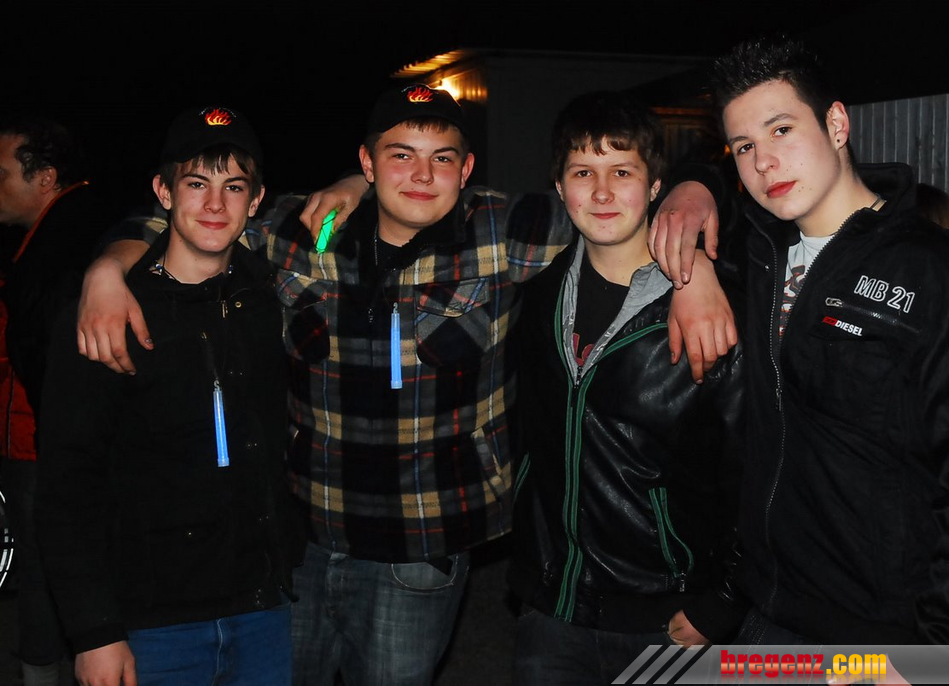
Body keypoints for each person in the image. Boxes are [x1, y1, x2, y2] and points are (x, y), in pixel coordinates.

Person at [74, 84, 734, 685]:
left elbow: (623, 205)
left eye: (441, 158)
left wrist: (692, 249)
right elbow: (190, 216)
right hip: (302, 543)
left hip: (422, 549)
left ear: (466, 171)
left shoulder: (501, 231)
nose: (421, 175)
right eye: (400, 156)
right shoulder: (307, 231)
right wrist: (106, 270)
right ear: (366, 162)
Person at [658, 36, 949, 646]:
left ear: (835, 124)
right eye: (745, 146)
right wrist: (690, 258)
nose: (764, 162)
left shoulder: (944, 276)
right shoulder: (756, 254)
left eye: (781, 130)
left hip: (886, 635)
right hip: (765, 613)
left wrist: (936, 649)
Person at [35, 105, 298, 685]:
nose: (215, 204)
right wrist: (94, 631)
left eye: (234, 187)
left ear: (256, 200)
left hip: (264, 611)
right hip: (151, 625)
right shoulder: (108, 314)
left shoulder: (268, 296)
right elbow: (66, 484)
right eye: (197, 184)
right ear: (163, 191)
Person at [507, 91, 745, 685]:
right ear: (559, 188)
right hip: (552, 608)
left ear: (656, 186)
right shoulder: (536, 296)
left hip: (669, 619)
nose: (602, 193)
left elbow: (756, 466)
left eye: (622, 172)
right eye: (582, 173)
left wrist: (725, 599)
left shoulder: (713, 308)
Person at [0, 114, 113, 686]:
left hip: (43, 446)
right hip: (37, 440)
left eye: (1, 173)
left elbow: (48, 358)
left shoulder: (66, 242)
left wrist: (61, 445)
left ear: (44, 176)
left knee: (46, 570)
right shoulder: (54, 233)